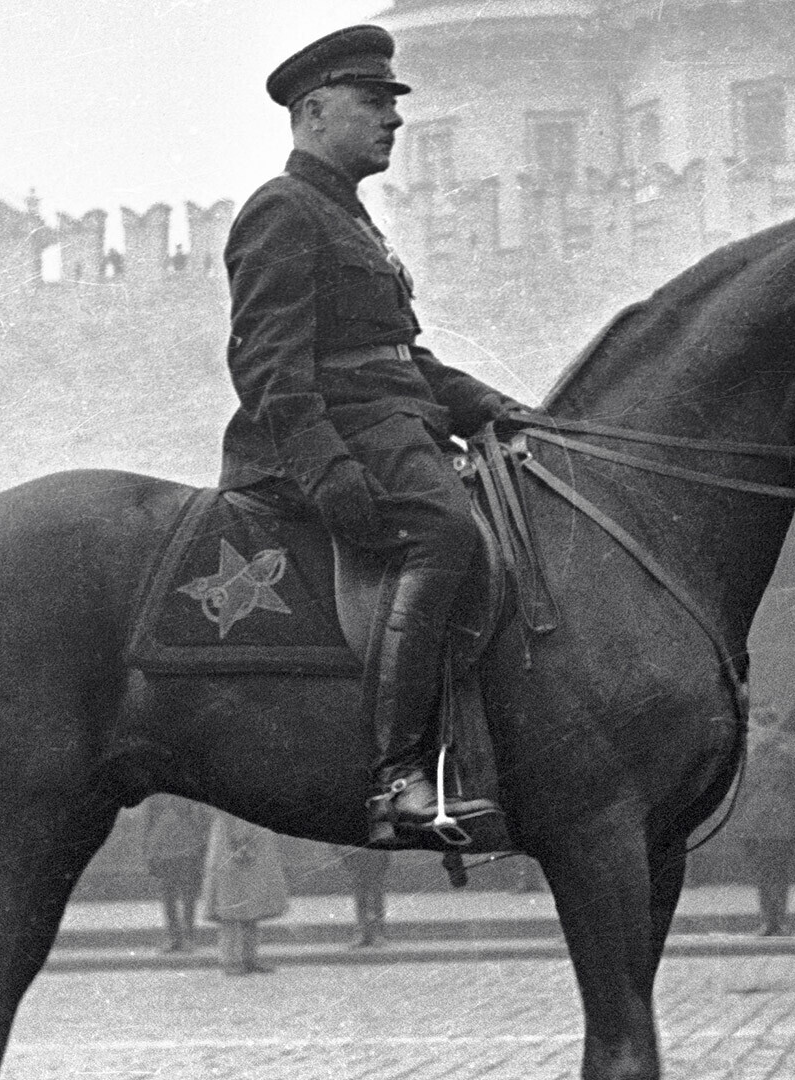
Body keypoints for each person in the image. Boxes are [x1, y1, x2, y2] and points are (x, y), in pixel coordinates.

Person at [218, 24, 531, 845]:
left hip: (391, 427)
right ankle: (398, 777)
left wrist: (490, 403)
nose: (393, 120)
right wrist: (327, 471)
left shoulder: (351, 221)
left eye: (394, 105)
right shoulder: (282, 211)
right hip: (342, 441)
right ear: (315, 112)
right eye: (373, 103)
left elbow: (398, 359)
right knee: (443, 533)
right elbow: (271, 368)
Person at [730, 707, 795, 936]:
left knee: (780, 873)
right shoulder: (744, 758)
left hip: (782, 822)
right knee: (761, 875)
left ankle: (780, 921)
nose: (764, 732)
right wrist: (740, 824)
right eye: (759, 727)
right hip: (754, 823)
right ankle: (766, 921)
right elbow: (738, 794)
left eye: (769, 727)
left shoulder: (788, 758)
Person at [202, 812, 289, 976]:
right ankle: (231, 961)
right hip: (233, 858)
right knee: (231, 913)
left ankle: (249, 958)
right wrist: (242, 845)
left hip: (249, 861)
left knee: (250, 910)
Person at [141, 794, 211, 953]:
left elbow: (202, 820)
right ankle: (172, 937)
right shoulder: (155, 795)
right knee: (168, 896)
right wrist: (148, 853)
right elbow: (148, 824)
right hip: (163, 850)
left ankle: (188, 937)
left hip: (188, 849)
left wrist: (201, 848)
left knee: (188, 896)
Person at [343, 846, 391, 947]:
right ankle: (362, 933)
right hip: (355, 851)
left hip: (376, 850)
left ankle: (378, 933)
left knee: (376, 893)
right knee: (360, 894)